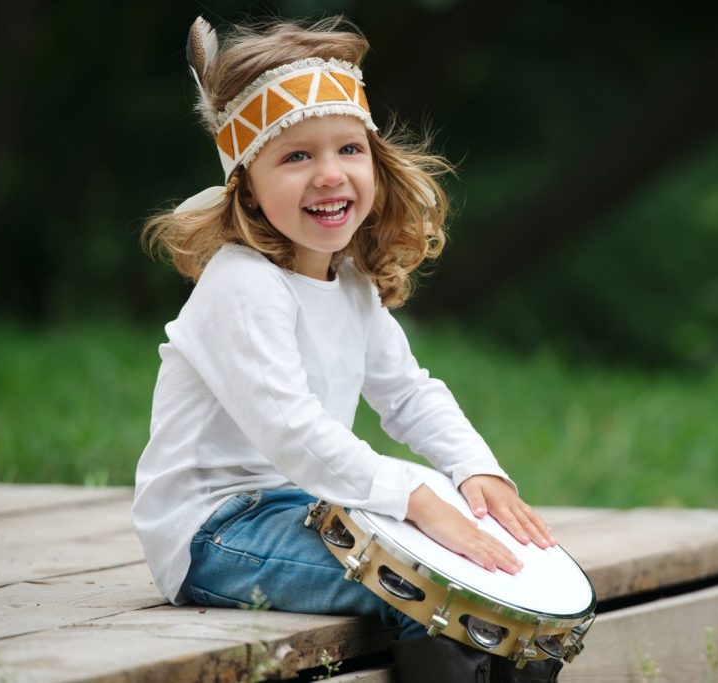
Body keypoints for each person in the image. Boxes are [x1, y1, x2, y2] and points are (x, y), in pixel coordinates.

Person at [132, 15, 563, 682]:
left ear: (373, 158)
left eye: (348, 150)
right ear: (246, 181)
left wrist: (475, 470)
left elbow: (407, 391)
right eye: (296, 156)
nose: (329, 175)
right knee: (431, 587)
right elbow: (292, 431)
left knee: (498, 581)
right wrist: (418, 501)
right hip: (215, 532)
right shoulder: (242, 285)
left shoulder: (350, 280)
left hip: (306, 504)